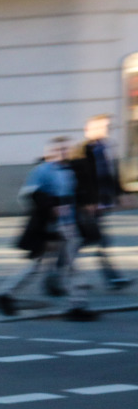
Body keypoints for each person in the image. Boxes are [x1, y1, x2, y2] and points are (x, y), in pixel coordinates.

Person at [0, 136, 97, 321]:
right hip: (52, 227)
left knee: (67, 265)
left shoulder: (71, 169)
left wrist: (86, 205)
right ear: (49, 152)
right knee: (46, 266)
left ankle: (77, 304)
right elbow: (29, 195)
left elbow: (77, 193)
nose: (62, 153)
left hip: (70, 224)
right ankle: (5, 294)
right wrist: (51, 207)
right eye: (58, 149)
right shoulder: (42, 171)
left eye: (65, 149)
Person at [69, 114, 131, 290]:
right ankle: (113, 278)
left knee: (86, 240)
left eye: (108, 126)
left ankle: (58, 273)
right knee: (99, 240)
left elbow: (112, 173)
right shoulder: (81, 150)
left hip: (101, 203)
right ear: (89, 129)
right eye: (102, 126)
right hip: (87, 205)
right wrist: (88, 202)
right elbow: (80, 180)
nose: (106, 130)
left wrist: (121, 192)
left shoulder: (107, 147)